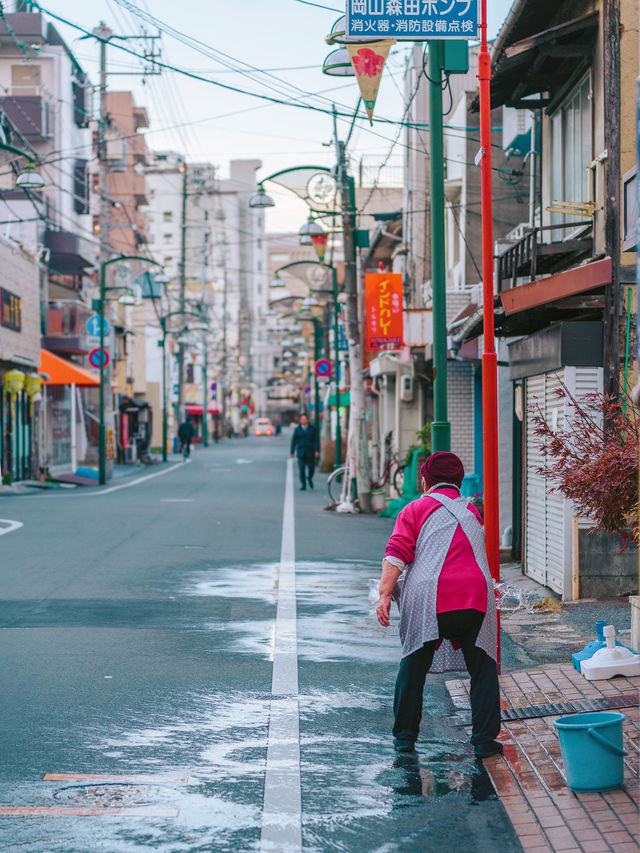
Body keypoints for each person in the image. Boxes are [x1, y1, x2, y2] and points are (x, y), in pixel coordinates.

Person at [376, 451, 501, 759]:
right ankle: (484, 739)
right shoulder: (472, 510)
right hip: (475, 595)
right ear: (459, 481)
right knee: (483, 666)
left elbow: (397, 553)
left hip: (431, 595)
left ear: (425, 481)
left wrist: (383, 595)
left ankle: (405, 738)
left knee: (413, 665)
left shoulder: (415, 508)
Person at [290, 413, 319, 490]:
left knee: (311, 468)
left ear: (307, 420)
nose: (303, 421)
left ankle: (309, 478)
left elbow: (316, 440)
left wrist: (317, 450)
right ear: (300, 421)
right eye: (302, 419)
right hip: (301, 452)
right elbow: (293, 441)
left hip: (310, 451)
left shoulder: (313, 429)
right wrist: (292, 451)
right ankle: (303, 484)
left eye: (305, 419)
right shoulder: (297, 430)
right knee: (301, 469)